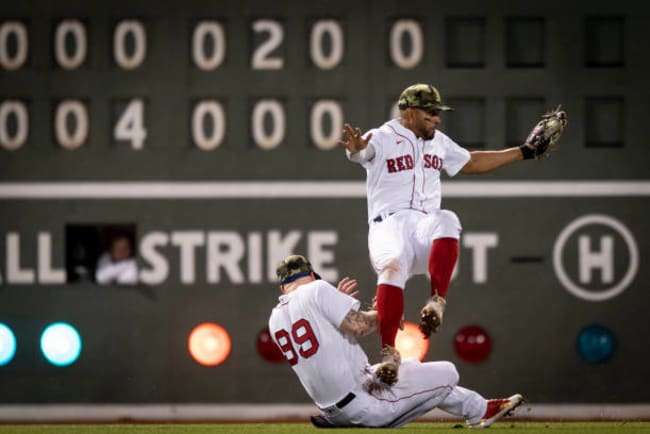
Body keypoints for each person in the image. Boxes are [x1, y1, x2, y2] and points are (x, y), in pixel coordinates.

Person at [338, 83, 543, 384]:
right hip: (388, 227)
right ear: (409, 112)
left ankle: (436, 301)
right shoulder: (382, 136)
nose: (437, 118)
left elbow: (471, 162)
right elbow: (362, 151)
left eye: (438, 112)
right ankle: (388, 354)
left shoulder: (439, 142)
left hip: (424, 230)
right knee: (392, 267)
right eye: (430, 113)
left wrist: (524, 152)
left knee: (447, 218)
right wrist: (356, 149)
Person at [268, 254, 523, 428]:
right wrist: (385, 311)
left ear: (282, 288)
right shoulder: (316, 290)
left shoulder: (276, 316)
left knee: (409, 368)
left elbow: (324, 342)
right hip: (362, 404)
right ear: (312, 275)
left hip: (336, 404)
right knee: (448, 373)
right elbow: (360, 327)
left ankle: (481, 409)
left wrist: (337, 305)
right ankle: (479, 410)